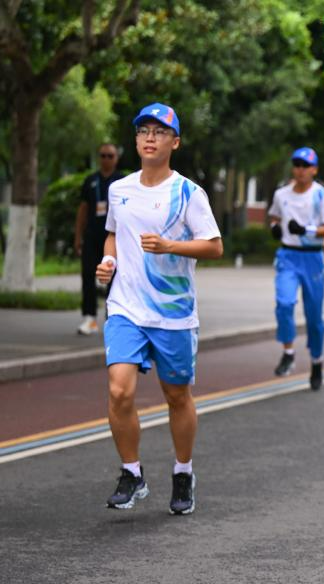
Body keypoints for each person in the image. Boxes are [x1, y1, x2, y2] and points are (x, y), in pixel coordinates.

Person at [96, 103, 223, 515]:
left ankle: (183, 471)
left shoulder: (188, 193)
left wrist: (170, 246)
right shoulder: (120, 189)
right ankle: (131, 472)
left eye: (160, 131)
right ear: (136, 140)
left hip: (173, 313)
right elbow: (113, 234)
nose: (150, 138)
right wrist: (109, 261)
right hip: (126, 307)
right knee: (119, 389)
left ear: (175, 142)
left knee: (176, 395)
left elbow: (214, 246)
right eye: (143, 131)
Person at [267, 147, 324, 390]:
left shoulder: (322, 196)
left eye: (306, 165)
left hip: (312, 259)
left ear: (314, 169)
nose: (300, 169)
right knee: (284, 304)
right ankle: (288, 352)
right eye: (297, 164)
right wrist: (275, 228)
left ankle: (317, 361)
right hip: (287, 256)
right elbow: (275, 217)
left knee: (313, 316)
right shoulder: (281, 194)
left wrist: (306, 230)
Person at [73, 143, 125, 335]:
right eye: (103, 155)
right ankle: (89, 318)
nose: (106, 159)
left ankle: (113, 318)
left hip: (114, 236)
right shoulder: (90, 180)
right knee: (88, 274)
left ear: (116, 158)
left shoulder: (122, 181)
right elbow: (83, 209)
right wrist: (78, 237)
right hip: (92, 235)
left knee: (114, 276)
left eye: (110, 156)